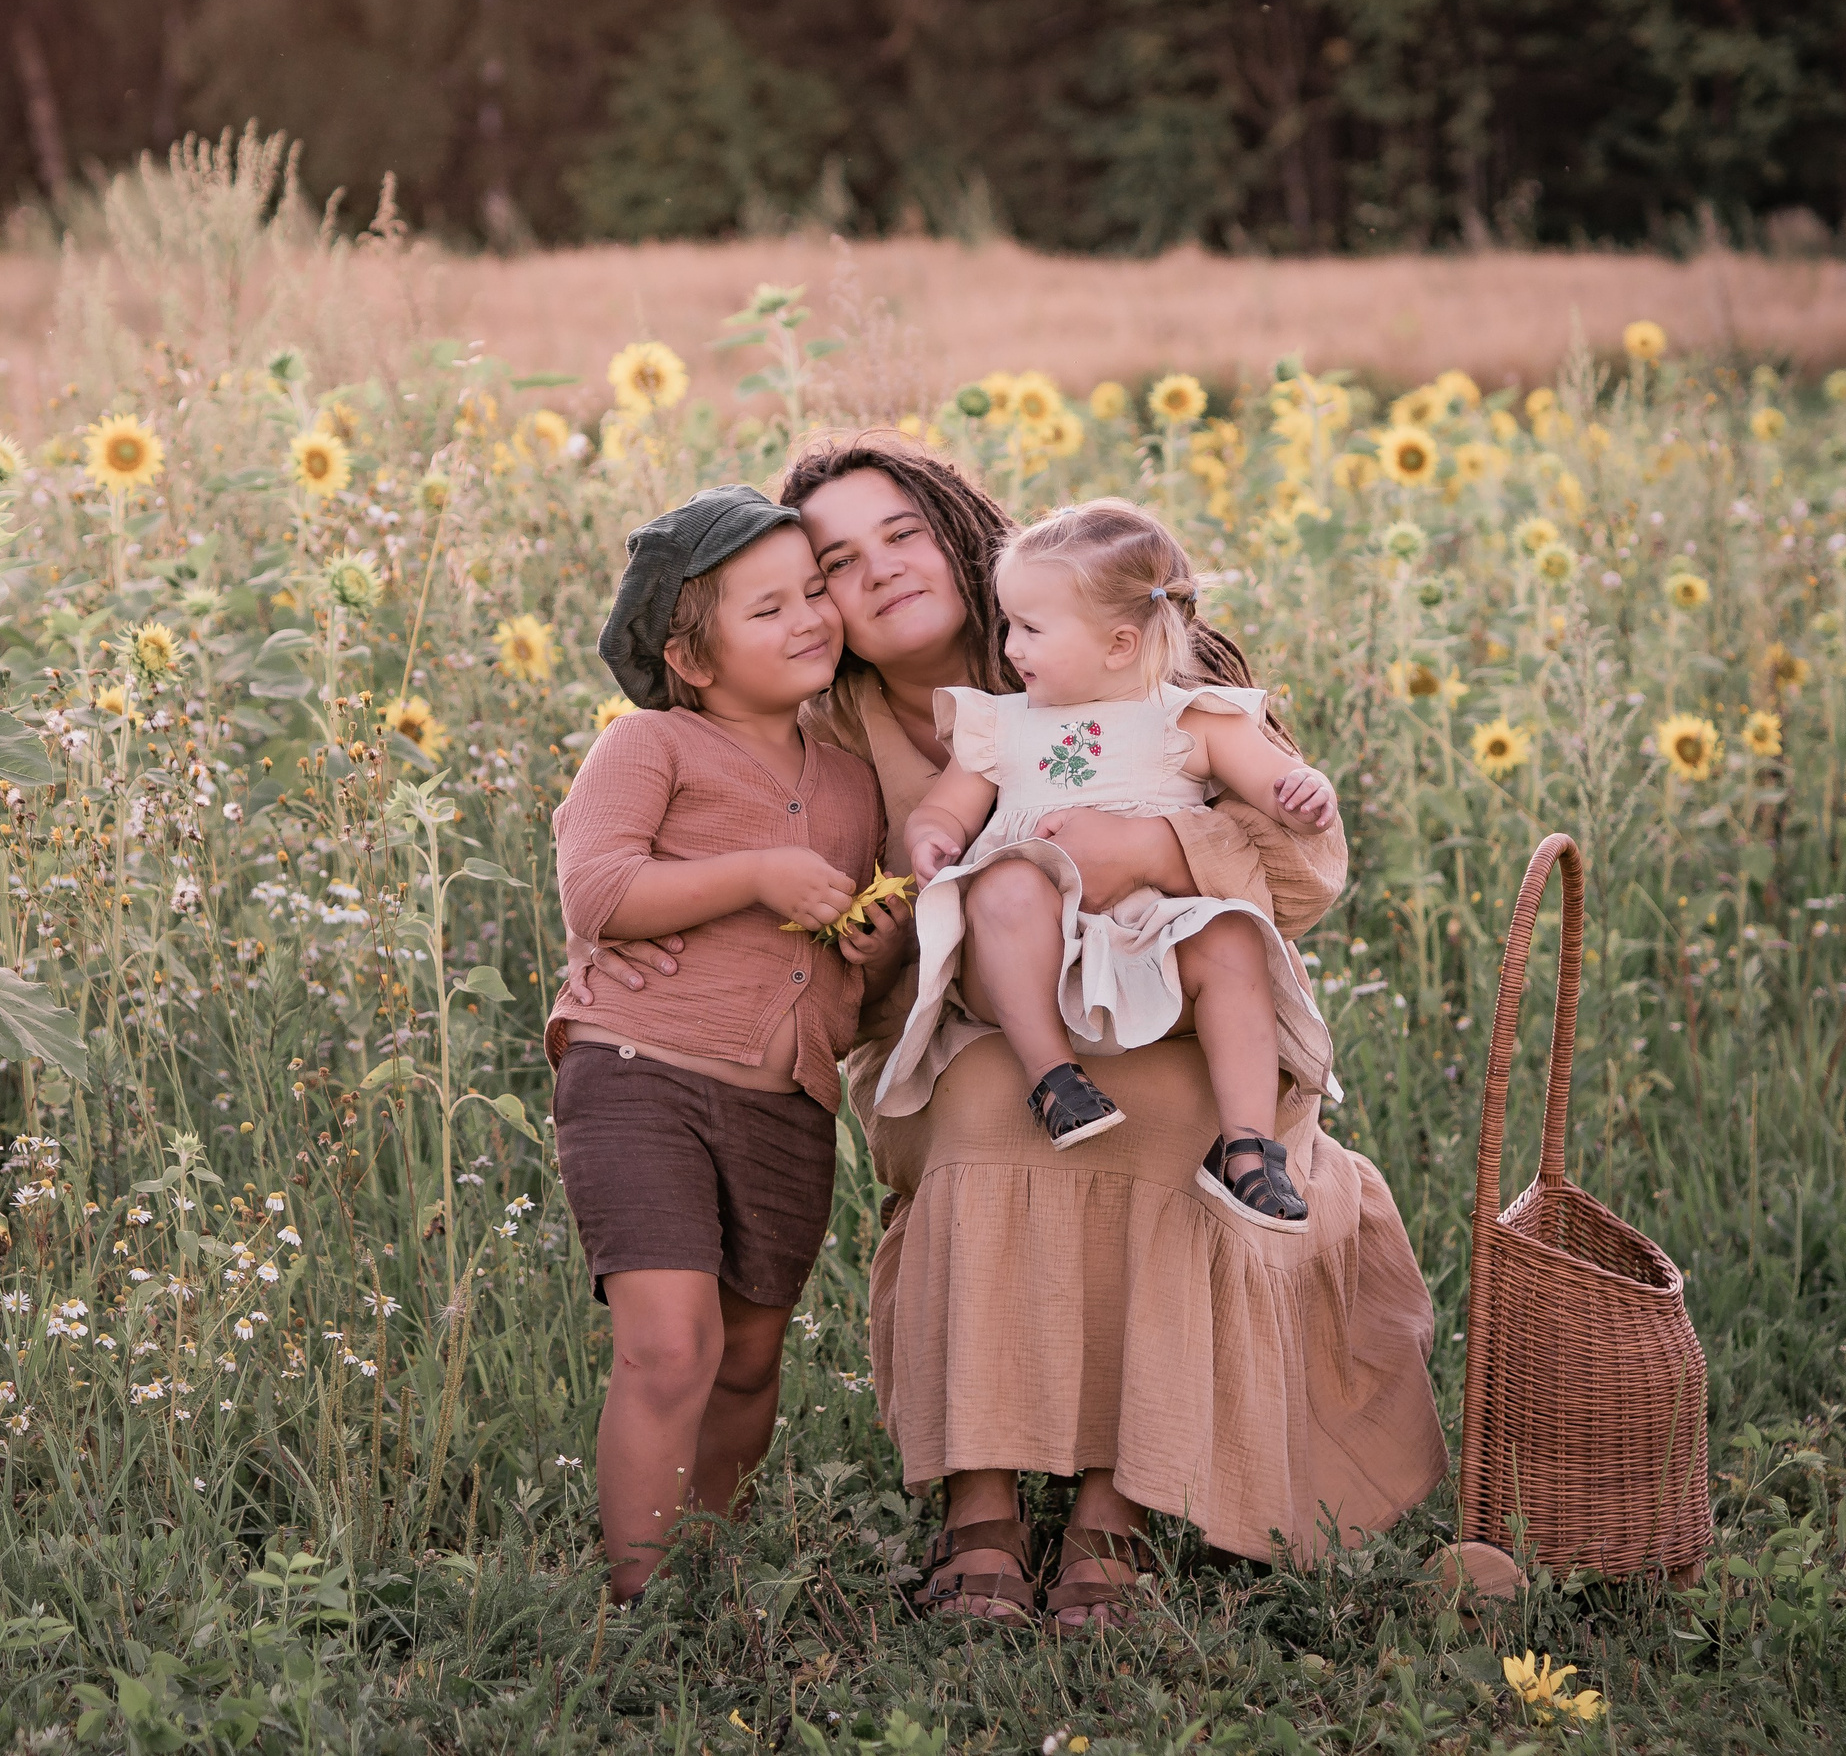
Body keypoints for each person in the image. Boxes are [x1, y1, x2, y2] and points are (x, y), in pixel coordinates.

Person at [567, 436, 1444, 1634]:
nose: (874, 573)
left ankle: (1113, 1507)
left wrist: (1150, 850)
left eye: (901, 535)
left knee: (1178, 1108)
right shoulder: (825, 738)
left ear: (954, 532)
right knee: (985, 1104)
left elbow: (1305, 864)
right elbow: (845, 964)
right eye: (834, 561)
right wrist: (708, 948)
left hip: (1173, 1003)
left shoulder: (1093, 623)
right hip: (972, 1036)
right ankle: (978, 1502)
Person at [547, 483, 908, 1603]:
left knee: (750, 1357)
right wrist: (752, 875)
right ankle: (637, 1600)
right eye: (768, 609)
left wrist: (875, 942)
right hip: (639, 1074)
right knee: (671, 1345)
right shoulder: (650, 744)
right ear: (690, 658)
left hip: (785, 1103)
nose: (809, 617)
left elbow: (849, 975)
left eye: (814, 593)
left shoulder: (850, 781)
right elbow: (596, 888)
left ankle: (708, 1567)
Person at [879, 499, 1338, 1223]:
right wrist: (933, 835)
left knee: (1233, 938)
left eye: (1030, 629)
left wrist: (1306, 791)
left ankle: (1249, 1147)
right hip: (1037, 950)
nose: (1011, 649)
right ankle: (1054, 1078)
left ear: (1120, 644)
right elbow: (948, 804)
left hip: (1157, 943)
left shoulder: (1193, 718)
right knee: (1003, 887)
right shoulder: (1002, 725)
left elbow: (1276, 791)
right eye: (1009, 626)